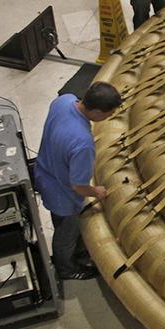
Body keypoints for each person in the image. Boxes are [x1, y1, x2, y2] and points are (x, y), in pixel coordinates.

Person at [34, 81, 122, 282]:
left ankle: (72, 253)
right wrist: (97, 192)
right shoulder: (82, 143)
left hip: (44, 172)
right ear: (98, 112)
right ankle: (66, 269)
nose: (109, 117)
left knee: (62, 227)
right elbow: (78, 185)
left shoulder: (63, 101)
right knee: (66, 232)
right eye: (109, 114)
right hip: (61, 194)